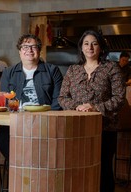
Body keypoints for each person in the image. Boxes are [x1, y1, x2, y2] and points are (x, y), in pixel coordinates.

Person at [58, 30, 126, 192]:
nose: (90, 47)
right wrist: (77, 107)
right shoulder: (73, 70)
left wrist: (95, 107)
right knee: (76, 168)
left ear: (101, 48)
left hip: (105, 128)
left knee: (103, 170)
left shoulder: (111, 68)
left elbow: (119, 99)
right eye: (86, 43)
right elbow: (62, 98)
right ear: (81, 47)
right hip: (75, 128)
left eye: (94, 43)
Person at [0, 34, 63, 161]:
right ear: (20, 51)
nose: (29, 50)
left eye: (33, 47)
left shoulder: (52, 71)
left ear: (39, 50)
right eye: (25, 47)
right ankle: (18, 167)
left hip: (43, 122)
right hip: (17, 122)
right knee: (2, 137)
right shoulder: (8, 73)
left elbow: (58, 100)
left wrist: (47, 120)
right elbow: (4, 100)